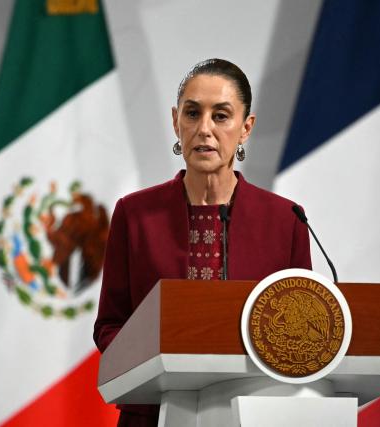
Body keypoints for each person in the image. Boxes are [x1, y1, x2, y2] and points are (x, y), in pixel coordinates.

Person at [93, 58, 311, 427]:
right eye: (193, 113)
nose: (204, 129)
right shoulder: (135, 214)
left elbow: (302, 329)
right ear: (176, 121)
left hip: (253, 413)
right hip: (153, 413)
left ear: (246, 128)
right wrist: (159, 364)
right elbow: (110, 326)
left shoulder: (286, 219)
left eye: (221, 116)